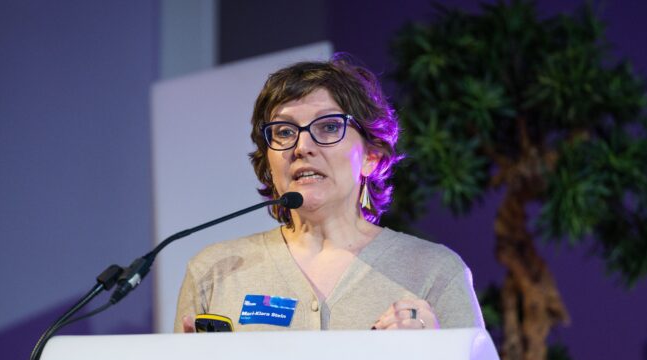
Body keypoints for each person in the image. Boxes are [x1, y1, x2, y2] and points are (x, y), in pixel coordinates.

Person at [175, 54, 483, 333]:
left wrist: (435, 353)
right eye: (284, 131)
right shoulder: (214, 272)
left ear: (371, 156)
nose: (302, 147)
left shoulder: (434, 272)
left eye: (329, 127)